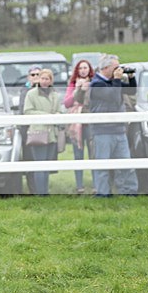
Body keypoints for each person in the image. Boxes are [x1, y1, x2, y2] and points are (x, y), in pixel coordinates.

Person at [88, 54, 138, 197]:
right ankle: (103, 193)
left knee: (126, 165)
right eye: (116, 67)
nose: (118, 70)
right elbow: (113, 96)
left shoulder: (114, 81)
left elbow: (131, 91)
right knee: (102, 166)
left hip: (119, 130)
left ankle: (129, 191)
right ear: (105, 68)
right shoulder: (97, 84)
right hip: (102, 131)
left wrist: (130, 77)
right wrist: (117, 79)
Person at [23, 69, 62, 195]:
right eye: (42, 78)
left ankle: (45, 191)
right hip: (38, 133)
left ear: (51, 81)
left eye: (47, 79)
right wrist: (46, 115)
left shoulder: (55, 95)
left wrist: (56, 115)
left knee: (47, 165)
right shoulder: (31, 94)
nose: (44, 81)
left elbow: (60, 111)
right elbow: (27, 111)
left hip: (52, 134)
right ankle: (40, 193)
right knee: (39, 165)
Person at [64, 59, 94, 193]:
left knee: (94, 153)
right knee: (78, 153)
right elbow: (67, 103)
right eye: (80, 68)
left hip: (91, 122)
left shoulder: (95, 83)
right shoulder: (72, 84)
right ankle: (79, 185)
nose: (83, 70)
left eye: (85, 68)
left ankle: (96, 184)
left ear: (89, 70)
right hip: (76, 124)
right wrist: (77, 89)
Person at [18, 65, 42, 194]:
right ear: (29, 77)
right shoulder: (25, 90)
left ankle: (41, 188)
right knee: (30, 158)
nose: (36, 77)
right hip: (28, 130)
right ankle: (33, 189)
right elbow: (23, 110)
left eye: (38, 74)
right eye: (33, 75)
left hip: (43, 129)